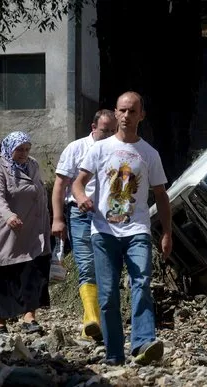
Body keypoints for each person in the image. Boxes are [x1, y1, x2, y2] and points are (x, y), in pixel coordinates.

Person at [72, 91, 172, 366]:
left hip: (137, 230)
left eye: (132, 111)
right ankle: (115, 353)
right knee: (108, 294)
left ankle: (142, 343)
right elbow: (77, 182)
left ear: (142, 115)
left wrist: (166, 232)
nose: (126, 116)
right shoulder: (100, 149)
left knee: (141, 283)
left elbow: (161, 195)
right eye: (122, 110)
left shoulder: (149, 154)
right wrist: (81, 198)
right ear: (115, 113)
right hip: (103, 231)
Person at [51, 109, 117, 341]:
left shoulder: (117, 150)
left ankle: (94, 322)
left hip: (109, 216)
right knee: (86, 263)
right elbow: (60, 185)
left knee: (106, 266)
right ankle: (91, 318)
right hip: (79, 214)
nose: (108, 134)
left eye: (112, 130)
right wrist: (58, 218)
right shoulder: (76, 148)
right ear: (93, 127)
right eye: (104, 130)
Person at [0, 131, 51, 334]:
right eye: (19, 149)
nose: (24, 153)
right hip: (7, 227)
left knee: (32, 269)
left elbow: (38, 190)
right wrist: (8, 215)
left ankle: (29, 317)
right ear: (9, 148)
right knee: (0, 271)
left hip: (32, 226)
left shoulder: (32, 165)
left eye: (27, 149)